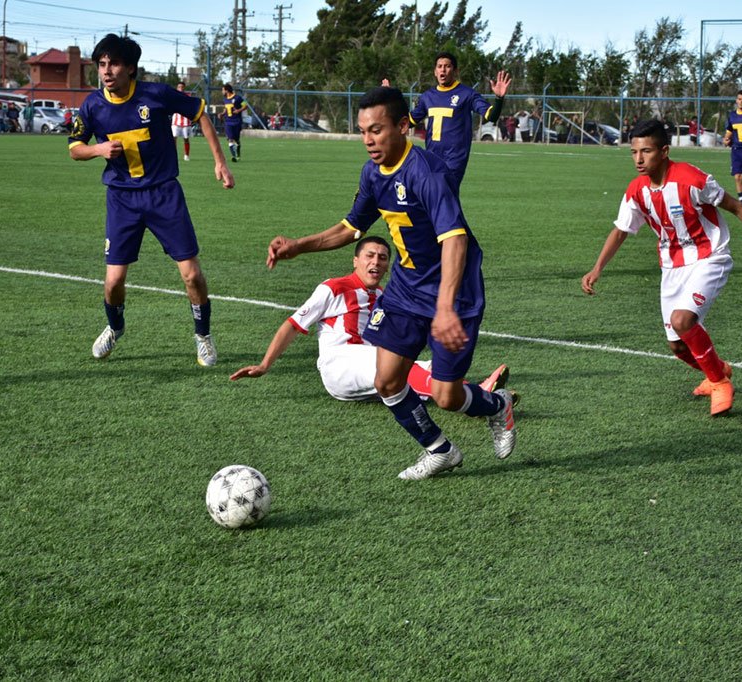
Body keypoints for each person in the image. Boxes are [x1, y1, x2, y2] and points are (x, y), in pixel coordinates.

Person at [264, 86, 517, 480]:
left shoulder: (427, 172)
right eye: (363, 131)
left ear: (402, 126)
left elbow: (455, 240)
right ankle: (440, 450)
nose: (368, 140)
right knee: (386, 381)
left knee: (446, 396)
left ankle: (497, 405)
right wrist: (299, 246)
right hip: (406, 289)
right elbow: (351, 228)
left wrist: (445, 307)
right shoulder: (372, 174)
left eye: (377, 130)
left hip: (456, 293)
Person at [581, 119, 742, 417]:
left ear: (664, 151)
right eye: (634, 152)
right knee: (677, 347)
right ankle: (717, 370)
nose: (639, 159)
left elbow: (737, 207)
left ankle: (719, 383)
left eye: (646, 151)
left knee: (682, 321)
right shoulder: (636, 190)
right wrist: (597, 268)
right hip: (672, 267)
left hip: (710, 258)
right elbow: (621, 231)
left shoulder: (692, 179)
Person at [68, 33, 235, 367]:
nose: (106, 71)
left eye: (114, 63)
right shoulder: (92, 105)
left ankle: (203, 336)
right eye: (102, 64)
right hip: (121, 199)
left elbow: (200, 112)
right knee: (113, 281)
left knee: (192, 275)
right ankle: (115, 326)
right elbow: (75, 148)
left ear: (131, 68)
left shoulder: (155, 95)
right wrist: (98, 149)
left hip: (163, 195)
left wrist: (220, 161)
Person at [231, 236, 511, 401]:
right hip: (340, 363)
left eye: (383, 257)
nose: (376, 262)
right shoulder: (333, 287)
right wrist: (265, 365)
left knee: (424, 367)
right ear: (355, 261)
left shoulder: (385, 295)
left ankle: (472, 394)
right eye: (369, 256)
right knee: (401, 369)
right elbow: (292, 326)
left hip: (370, 366)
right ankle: (483, 397)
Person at [385, 52, 510, 193]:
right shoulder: (427, 97)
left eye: (447, 66)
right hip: (431, 158)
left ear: (455, 71)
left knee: (443, 195)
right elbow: (407, 122)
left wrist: (499, 99)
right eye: (439, 66)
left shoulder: (467, 94)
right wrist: (391, 101)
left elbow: (491, 116)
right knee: (433, 199)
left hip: (454, 160)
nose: (443, 70)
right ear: (435, 71)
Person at [220, 83, 248, 162]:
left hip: (237, 121)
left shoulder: (237, 98)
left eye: (223, 90)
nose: (222, 92)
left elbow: (245, 106)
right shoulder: (225, 99)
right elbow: (226, 109)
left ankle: (238, 154)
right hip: (228, 122)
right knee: (230, 139)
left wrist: (238, 110)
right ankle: (234, 156)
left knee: (237, 140)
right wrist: (222, 114)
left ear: (227, 90)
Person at [171, 81, 193, 161]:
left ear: (184, 88)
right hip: (176, 121)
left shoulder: (187, 96)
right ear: (177, 88)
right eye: (179, 87)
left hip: (185, 121)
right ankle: (173, 155)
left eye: (182, 87)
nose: (180, 88)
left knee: (186, 138)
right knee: (174, 138)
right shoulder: (173, 96)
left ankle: (186, 155)